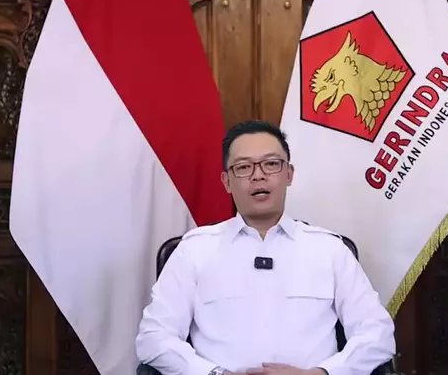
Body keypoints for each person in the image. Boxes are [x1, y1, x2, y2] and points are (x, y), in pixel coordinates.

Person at [135, 120, 396, 375]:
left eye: (271, 164)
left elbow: (377, 334)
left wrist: (321, 373)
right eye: (244, 167)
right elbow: (154, 338)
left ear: (288, 174)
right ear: (226, 182)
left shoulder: (329, 249)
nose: (258, 175)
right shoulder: (194, 250)